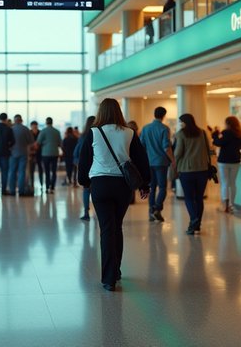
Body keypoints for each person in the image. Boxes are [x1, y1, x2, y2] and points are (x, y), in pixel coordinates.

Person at [78, 99, 150, 291]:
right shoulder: (129, 133)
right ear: (118, 111)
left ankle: (109, 278)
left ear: (101, 112)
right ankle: (115, 270)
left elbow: (84, 161)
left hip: (100, 184)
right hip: (122, 186)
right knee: (116, 226)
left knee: (107, 229)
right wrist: (145, 184)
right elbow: (141, 159)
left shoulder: (93, 132)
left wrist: (84, 182)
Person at [174, 113, 211, 235]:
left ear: (184, 122)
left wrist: (173, 160)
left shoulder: (181, 134)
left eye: (181, 122)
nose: (180, 124)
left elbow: (178, 152)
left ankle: (194, 219)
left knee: (189, 198)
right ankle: (197, 225)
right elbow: (208, 149)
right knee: (199, 198)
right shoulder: (202, 132)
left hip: (186, 170)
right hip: (202, 169)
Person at [140, 107, 175, 222]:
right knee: (163, 187)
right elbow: (166, 147)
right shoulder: (164, 129)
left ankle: (151, 212)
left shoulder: (145, 128)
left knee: (152, 188)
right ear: (164, 115)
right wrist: (173, 160)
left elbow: (142, 145)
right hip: (161, 163)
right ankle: (157, 209)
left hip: (149, 162)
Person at [211, 116, 241, 214]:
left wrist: (214, 135)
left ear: (227, 124)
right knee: (232, 183)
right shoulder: (239, 134)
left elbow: (218, 143)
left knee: (225, 183)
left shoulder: (225, 133)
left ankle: (224, 206)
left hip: (224, 160)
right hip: (235, 160)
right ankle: (232, 205)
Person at [75, 116, 95, 221]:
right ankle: (97, 212)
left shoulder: (83, 137)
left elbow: (77, 152)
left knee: (86, 190)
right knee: (96, 189)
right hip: (97, 166)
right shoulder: (99, 134)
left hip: (86, 166)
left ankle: (86, 212)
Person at [8, 114, 34, 196]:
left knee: (12, 171)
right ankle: (21, 190)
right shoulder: (26, 129)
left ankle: (12, 190)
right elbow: (31, 142)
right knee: (22, 171)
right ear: (21, 120)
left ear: (14, 121)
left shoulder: (11, 129)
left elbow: (7, 142)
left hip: (12, 153)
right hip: (23, 153)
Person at [36, 117, 62, 194]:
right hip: (54, 153)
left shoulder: (43, 131)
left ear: (46, 122)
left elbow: (38, 142)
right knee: (54, 171)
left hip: (45, 154)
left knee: (47, 171)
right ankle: (52, 187)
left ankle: (47, 187)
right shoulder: (57, 131)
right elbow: (59, 143)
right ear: (52, 122)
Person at [29, 121, 44, 189]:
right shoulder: (29, 133)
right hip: (31, 154)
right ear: (31, 126)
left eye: (36, 126)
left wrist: (37, 146)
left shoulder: (40, 133)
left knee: (40, 169)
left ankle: (41, 184)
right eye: (33, 126)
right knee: (31, 170)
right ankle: (31, 184)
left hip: (39, 153)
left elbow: (43, 142)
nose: (35, 128)